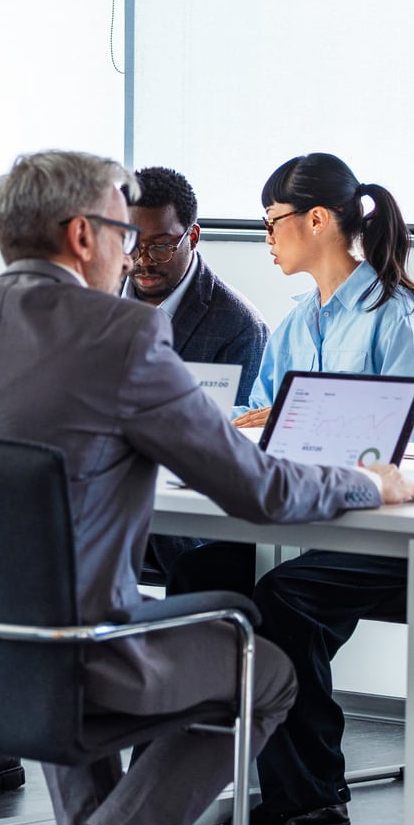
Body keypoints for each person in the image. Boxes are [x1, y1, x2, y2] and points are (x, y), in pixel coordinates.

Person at [0, 150, 414, 825]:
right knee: (267, 668)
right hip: (73, 660)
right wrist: (364, 481)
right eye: (120, 230)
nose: (131, 251)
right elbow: (259, 492)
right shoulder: (124, 335)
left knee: (48, 638)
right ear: (82, 236)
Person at [232, 152, 414, 825]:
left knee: (285, 600)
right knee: (220, 577)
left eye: (272, 222)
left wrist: (303, 431)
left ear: (318, 220)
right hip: (333, 521)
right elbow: (262, 415)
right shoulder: (297, 324)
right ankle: (272, 783)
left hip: (403, 530)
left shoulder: (396, 314)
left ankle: (310, 796)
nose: (267, 238)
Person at [130, 164, 271, 600]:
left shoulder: (237, 326)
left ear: (191, 237)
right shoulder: (95, 299)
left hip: (189, 524)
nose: (142, 261)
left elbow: (238, 446)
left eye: (160, 247)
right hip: (104, 502)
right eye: (129, 244)